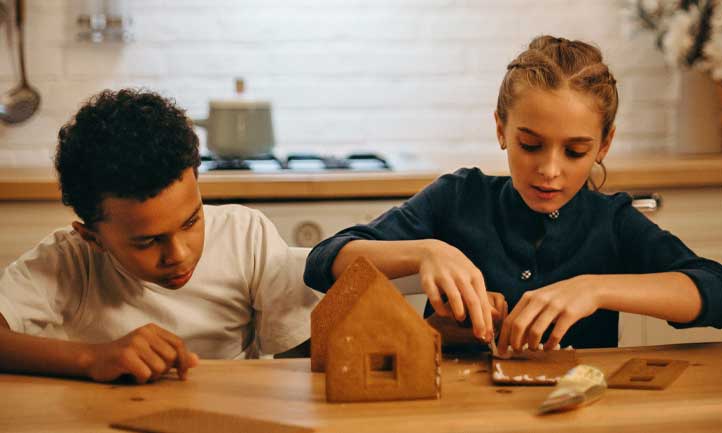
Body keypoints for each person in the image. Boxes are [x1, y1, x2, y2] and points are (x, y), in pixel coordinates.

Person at [303, 35, 722, 355]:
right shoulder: (458, 197)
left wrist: (595, 289)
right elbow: (324, 261)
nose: (549, 170)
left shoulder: (610, 221)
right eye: (530, 144)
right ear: (501, 129)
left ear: (604, 145)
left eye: (575, 152)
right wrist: (425, 252)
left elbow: (715, 289)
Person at [0, 89, 318, 384]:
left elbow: (299, 362)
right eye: (148, 241)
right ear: (93, 239)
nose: (178, 254)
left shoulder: (246, 236)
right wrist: (90, 358)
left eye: (192, 220)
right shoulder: (69, 262)